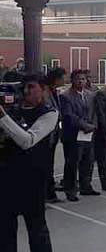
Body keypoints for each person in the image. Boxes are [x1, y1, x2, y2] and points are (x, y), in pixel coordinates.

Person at [0, 74, 57, 252]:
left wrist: (2, 117)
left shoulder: (49, 113)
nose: (26, 91)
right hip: (6, 177)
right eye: (24, 87)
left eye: (31, 87)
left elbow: (27, 141)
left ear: (44, 89)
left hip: (33, 180)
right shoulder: (13, 109)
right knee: (5, 230)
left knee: (37, 229)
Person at [60, 69, 99, 201]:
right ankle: (70, 190)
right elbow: (69, 116)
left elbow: (93, 113)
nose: (81, 81)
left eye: (83, 79)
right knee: (72, 163)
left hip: (88, 134)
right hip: (73, 135)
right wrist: (85, 126)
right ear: (72, 80)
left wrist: (93, 125)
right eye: (78, 79)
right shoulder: (66, 96)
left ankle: (86, 186)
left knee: (88, 161)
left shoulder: (90, 94)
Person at [43, 67, 66, 203]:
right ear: (56, 79)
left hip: (54, 133)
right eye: (62, 77)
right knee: (45, 165)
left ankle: (50, 194)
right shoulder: (45, 92)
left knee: (49, 165)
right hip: (46, 134)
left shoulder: (54, 91)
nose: (64, 80)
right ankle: (46, 195)